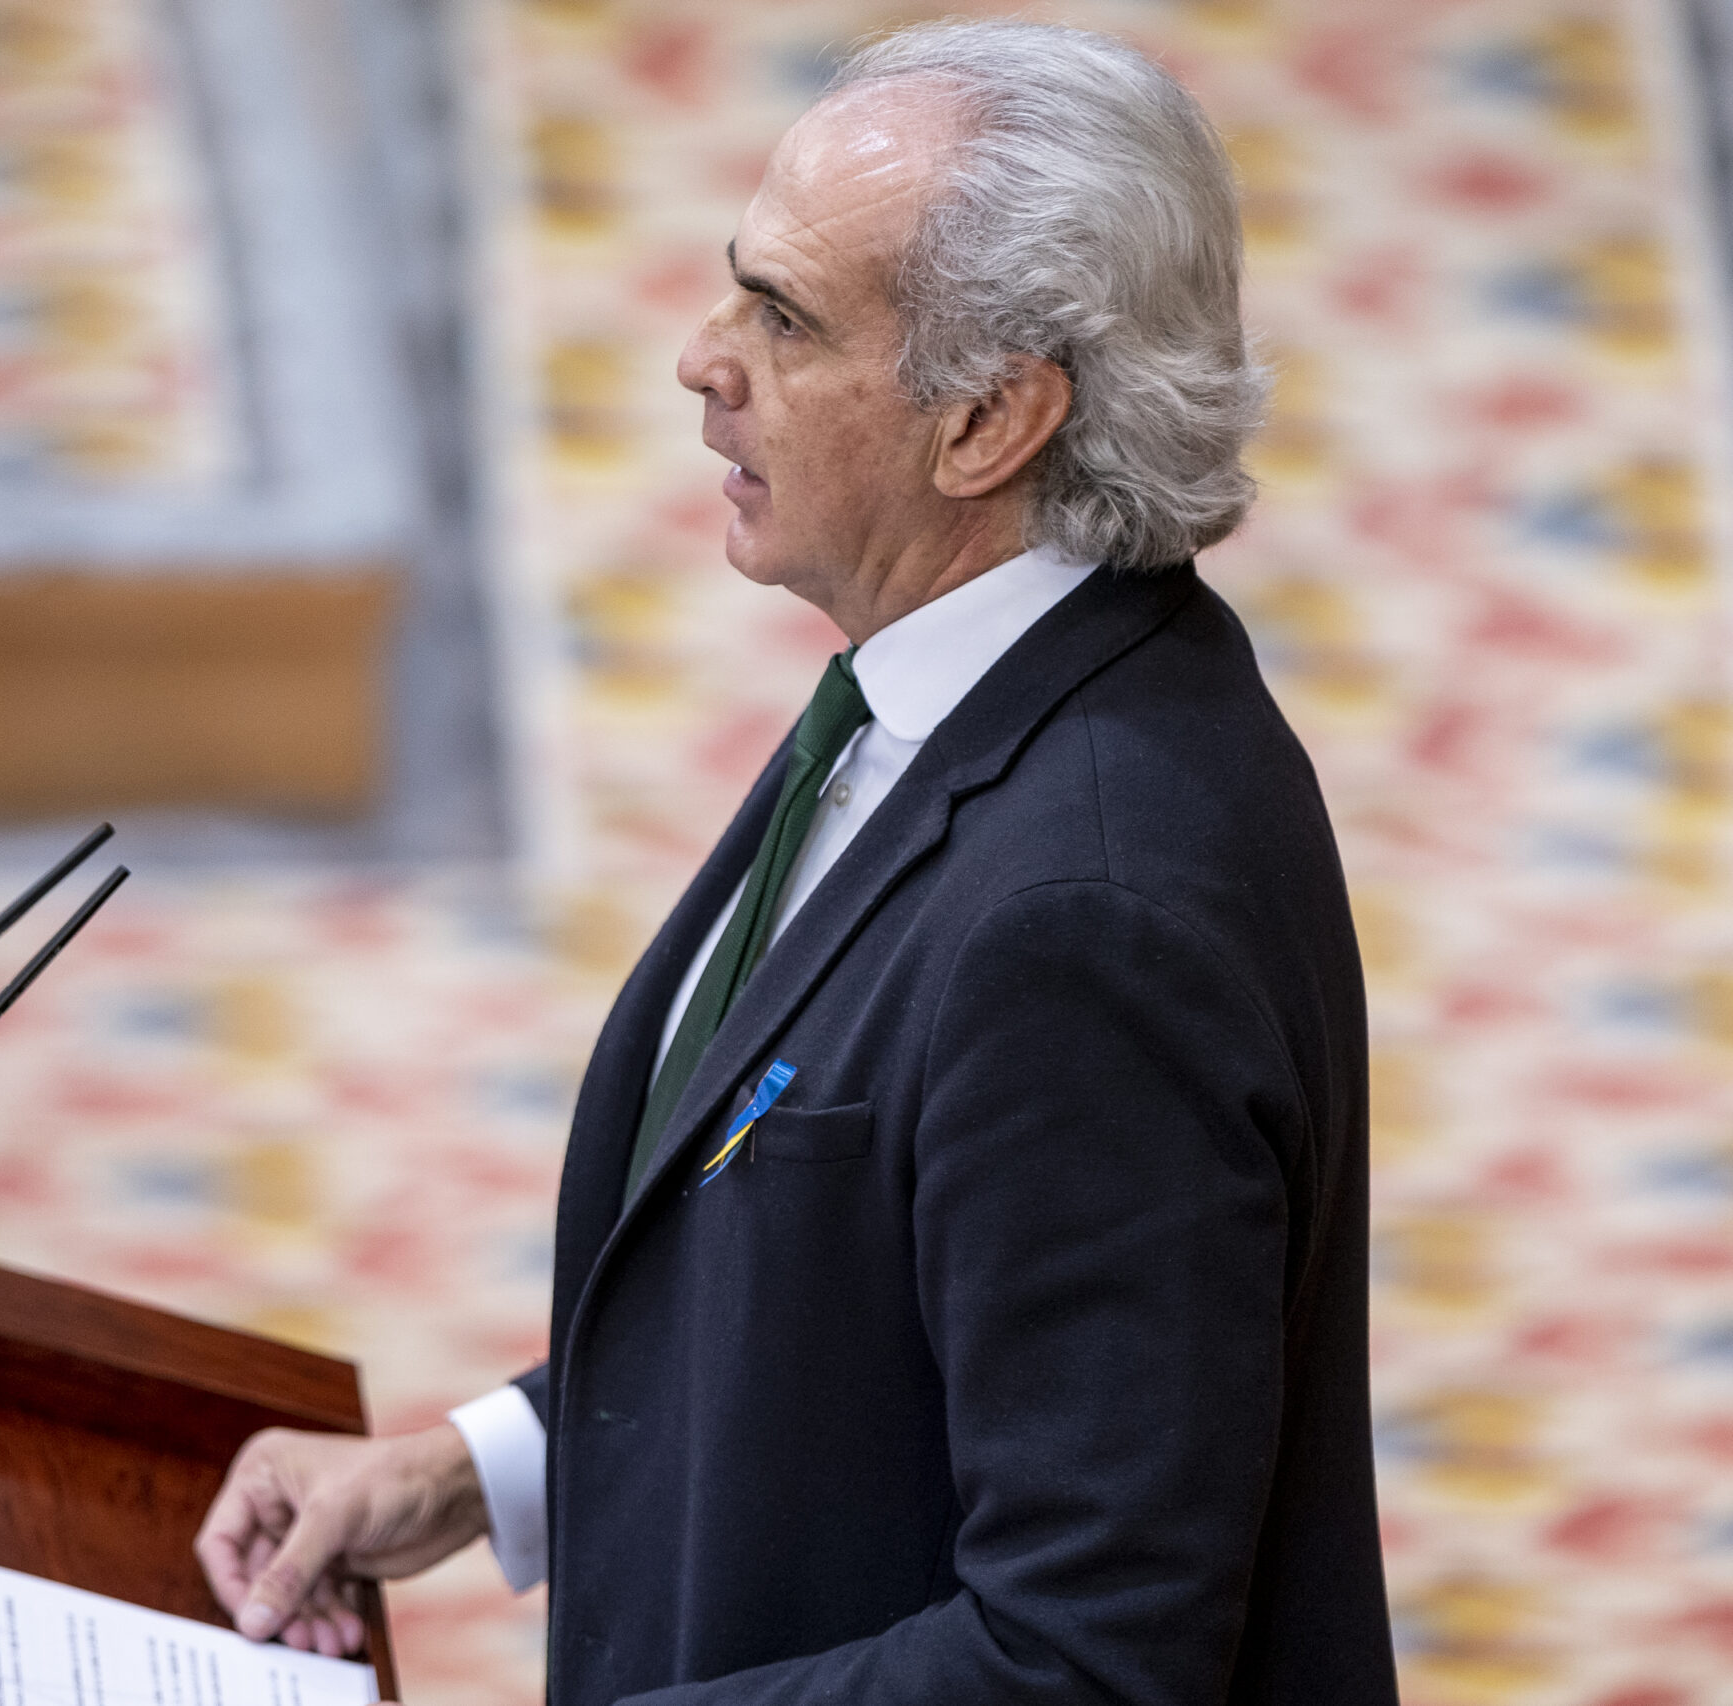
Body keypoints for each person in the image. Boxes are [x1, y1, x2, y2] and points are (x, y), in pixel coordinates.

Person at [194, 19, 1398, 1704]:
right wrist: (480, 1466)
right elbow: (852, 1300)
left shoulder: (1088, 923)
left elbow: (1085, 1659)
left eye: (783, 317)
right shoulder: (957, 682)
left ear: (988, 419)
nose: (701, 358)